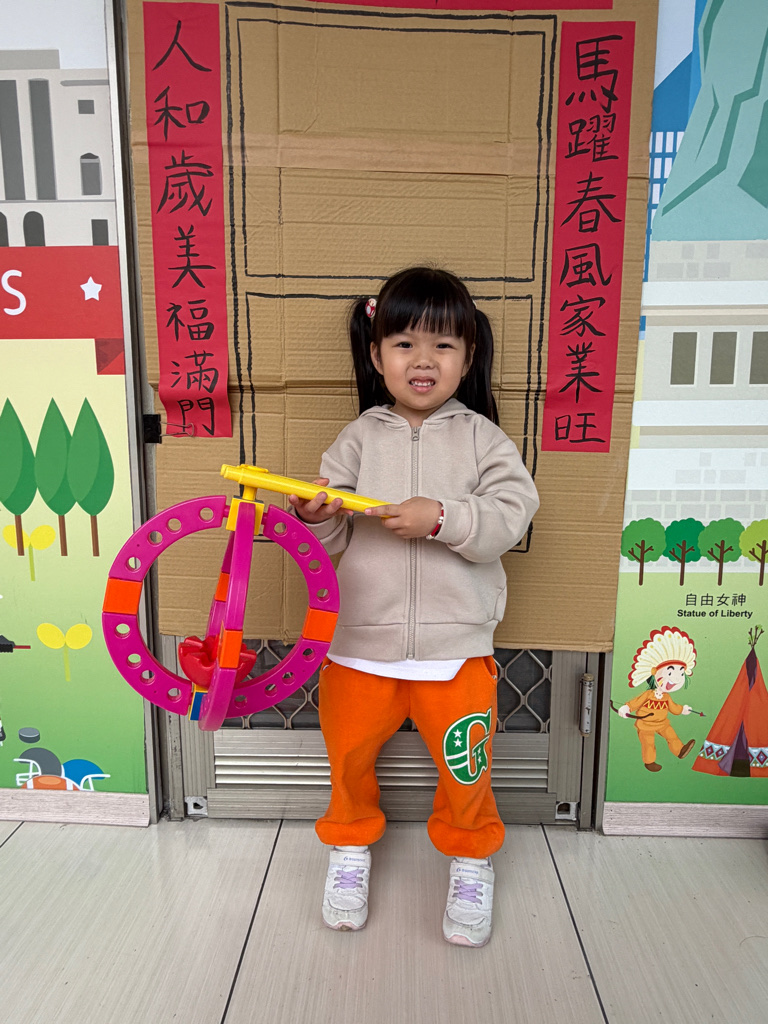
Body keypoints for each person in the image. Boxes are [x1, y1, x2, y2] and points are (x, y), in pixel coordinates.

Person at [289, 266, 539, 947]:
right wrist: (314, 517)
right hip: (358, 646)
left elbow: (512, 515)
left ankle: (471, 858)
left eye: (443, 345)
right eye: (404, 344)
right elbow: (329, 544)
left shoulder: (484, 439)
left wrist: (444, 517)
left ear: (469, 357)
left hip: (457, 652)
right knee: (348, 760)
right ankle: (348, 847)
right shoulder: (358, 438)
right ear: (376, 357)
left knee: (467, 770)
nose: (423, 360)